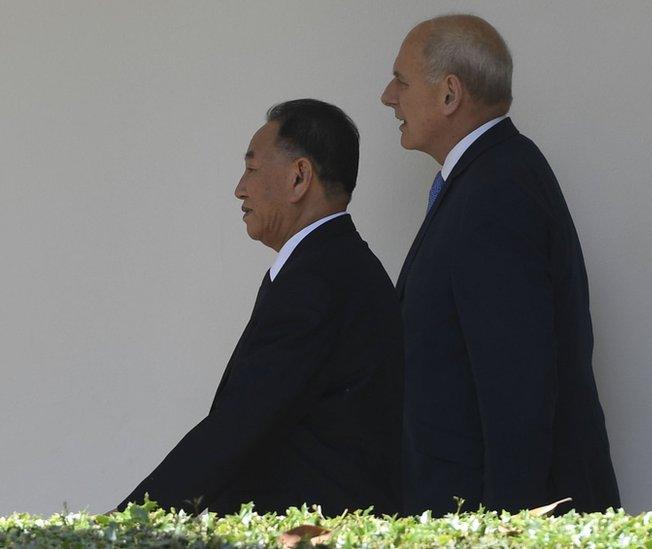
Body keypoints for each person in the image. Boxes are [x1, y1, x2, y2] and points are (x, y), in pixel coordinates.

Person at [380, 14, 620, 515]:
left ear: (449, 95)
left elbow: (518, 385)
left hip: (496, 520)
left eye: (401, 81)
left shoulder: (496, 190)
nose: (388, 96)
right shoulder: (492, 176)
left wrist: (506, 528)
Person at [116, 99, 404, 516]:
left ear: (299, 177)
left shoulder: (318, 279)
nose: (239, 188)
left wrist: (127, 523)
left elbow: (240, 427)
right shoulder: (333, 265)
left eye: (251, 168)